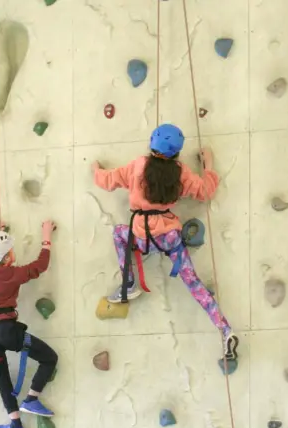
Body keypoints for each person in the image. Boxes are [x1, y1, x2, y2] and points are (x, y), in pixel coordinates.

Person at [91, 123, 239, 364]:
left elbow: (109, 180)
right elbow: (204, 191)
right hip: (169, 236)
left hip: (141, 233)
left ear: (152, 144)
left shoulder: (139, 166)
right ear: (177, 152)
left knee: (119, 233)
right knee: (193, 283)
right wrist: (208, 164)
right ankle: (224, 329)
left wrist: (96, 170)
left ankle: (128, 283)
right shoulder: (180, 173)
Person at [0, 220, 59, 428]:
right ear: (7, 258)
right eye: (10, 251)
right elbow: (40, 265)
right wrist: (46, 236)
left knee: (1, 376)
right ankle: (31, 398)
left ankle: (15, 423)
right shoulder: (13, 274)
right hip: (7, 331)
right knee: (49, 358)